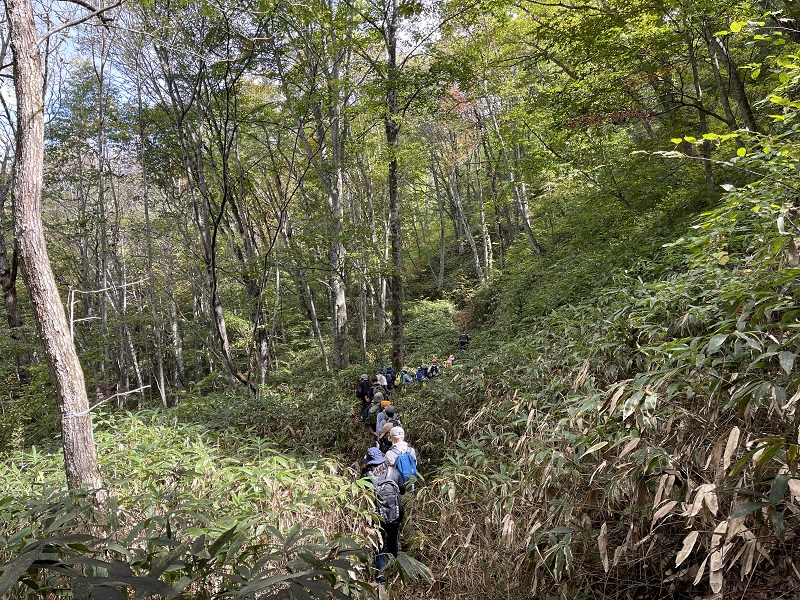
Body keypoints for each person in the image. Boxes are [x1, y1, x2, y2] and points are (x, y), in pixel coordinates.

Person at [361, 447, 405, 582]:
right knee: (392, 543)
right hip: (394, 514)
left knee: (379, 546)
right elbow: (402, 490)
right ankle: (394, 571)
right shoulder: (394, 472)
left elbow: (361, 497)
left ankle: (381, 578)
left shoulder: (366, 477)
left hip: (376, 517)